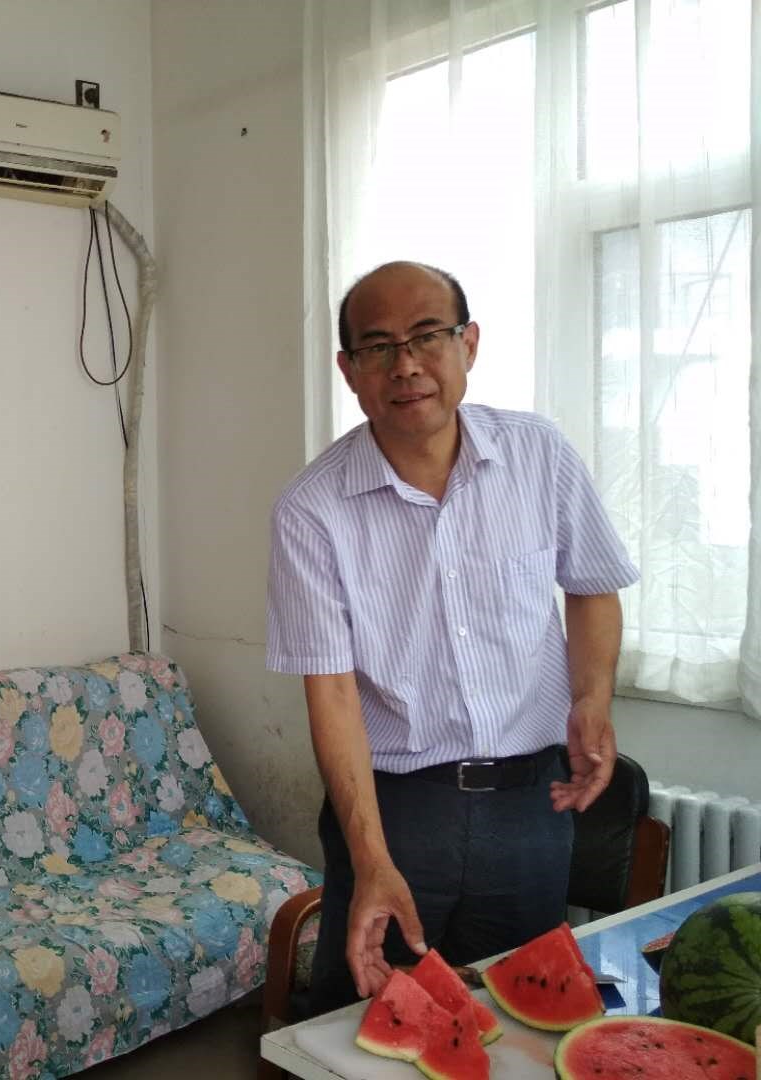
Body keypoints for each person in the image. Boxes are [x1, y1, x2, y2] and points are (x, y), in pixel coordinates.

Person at [266, 261, 639, 1016]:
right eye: (378, 347)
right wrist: (370, 858)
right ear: (349, 370)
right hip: (399, 809)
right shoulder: (312, 509)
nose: (405, 365)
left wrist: (592, 697)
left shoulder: (538, 455)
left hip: (533, 803)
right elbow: (331, 693)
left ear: (468, 344)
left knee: (521, 1022)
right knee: (368, 1023)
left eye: (427, 336)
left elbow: (593, 584)